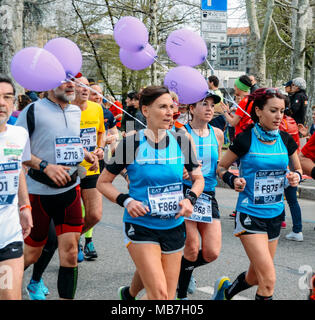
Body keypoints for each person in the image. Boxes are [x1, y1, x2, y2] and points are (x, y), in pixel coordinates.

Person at [96, 85, 204, 300]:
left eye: (171, 107)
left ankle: (128, 297)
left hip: (173, 225)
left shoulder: (181, 141)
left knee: (168, 298)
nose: (168, 112)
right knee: (160, 295)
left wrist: (190, 198)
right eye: (162, 107)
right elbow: (103, 182)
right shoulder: (132, 143)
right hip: (142, 226)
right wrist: (126, 201)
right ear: (145, 111)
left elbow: (198, 178)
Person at [213, 88, 302, 300]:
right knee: (268, 280)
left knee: (255, 276)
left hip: (275, 215)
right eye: (273, 110)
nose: (279, 116)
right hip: (250, 214)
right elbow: (221, 167)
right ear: (259, 111)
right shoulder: (245, 139)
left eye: (282, 111)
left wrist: (295, 177)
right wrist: (232, 179)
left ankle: (225, 292)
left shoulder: (285, 139)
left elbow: (298, 169)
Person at [16, 79, 98, 300]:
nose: (71, 86)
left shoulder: (75, 111)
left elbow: (67, 144)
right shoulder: (33, 110)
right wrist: (45, 166)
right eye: (65, 81)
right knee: (32, 253)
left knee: (70, 253)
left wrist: (84, 154)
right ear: (51, 83)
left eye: (73, 81)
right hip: (39, 192)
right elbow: (15, 150)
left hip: (70, 190)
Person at [176, 91, 224, 300]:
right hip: (186, 193)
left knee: (211, 252)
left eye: (212, 105)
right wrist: (183, 171)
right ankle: (181, 294)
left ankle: (181, 268)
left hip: (208, 194)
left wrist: (231, 177)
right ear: (191, 109)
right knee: (192, 249)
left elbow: (219, 165)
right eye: (204, 104)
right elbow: (171, 163)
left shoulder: (218, 134)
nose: (209, 108)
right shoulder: (181, 133)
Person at [0, 74, 33, 300]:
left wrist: (25, 207)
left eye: (7, 97)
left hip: (8, 236)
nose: (2, 102)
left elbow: (18, 168)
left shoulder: (18, 134)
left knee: (10, 297)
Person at [73, 76, 106, 260]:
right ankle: (70, 241)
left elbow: (101, 131)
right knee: (73, 215)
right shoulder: (67, 110)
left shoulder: (97, 108)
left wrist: (100, 148)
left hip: (92, 167)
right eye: (80, 86)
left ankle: (75, 237)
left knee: (95, 214)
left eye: (87, 87)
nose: (85, 90)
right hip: (70, 169)